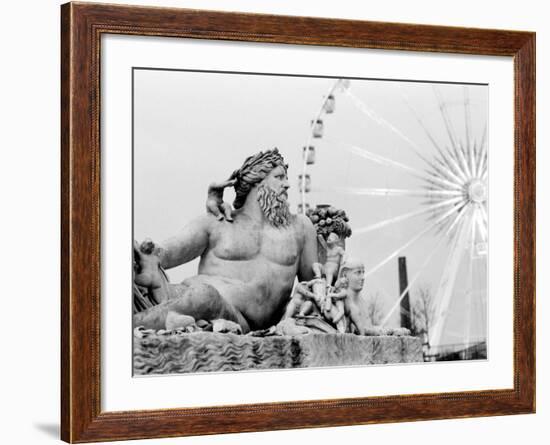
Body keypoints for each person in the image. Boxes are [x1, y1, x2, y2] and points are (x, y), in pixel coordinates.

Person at [133, 149, 318, 333]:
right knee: (198, 294)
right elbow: (166, 253)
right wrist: (148, 257)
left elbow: (314, 286)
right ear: (256, 182)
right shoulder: (217, 222)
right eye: (279, 177)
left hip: (239, 320)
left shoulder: (300, 227)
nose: (287, 185)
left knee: (204, 296)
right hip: (188, 298)